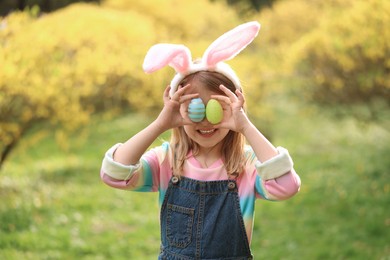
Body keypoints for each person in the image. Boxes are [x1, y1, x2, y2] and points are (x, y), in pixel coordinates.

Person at [100, 21, 301, 260]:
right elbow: (114, 173)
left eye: (216, 108)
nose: (206, 122)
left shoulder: (246, 165)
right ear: (178, 111)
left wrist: (245, 126)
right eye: (195, 108)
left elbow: (287, 186)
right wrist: (159, 124)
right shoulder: (167, 160)